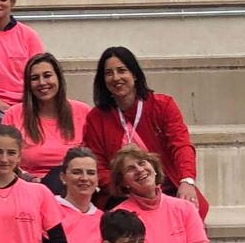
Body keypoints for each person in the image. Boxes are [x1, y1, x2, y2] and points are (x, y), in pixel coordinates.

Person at [84, 47, 204, 213]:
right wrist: (125, 186)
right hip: (121, 193)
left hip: (166, 189)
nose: (116, 77)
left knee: (189, 211)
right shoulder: (96, 118)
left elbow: (181, 145)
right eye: (109, 73)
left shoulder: (163, 106)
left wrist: (187, 180)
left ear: (134, 74)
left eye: (122, 70)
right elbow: (98, 165)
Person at [4, 53, 91, 180]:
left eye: (47, 75)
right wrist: (29, 179)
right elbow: (6, 159)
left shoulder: (83, 111)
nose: (42, 82)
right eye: (34, 78)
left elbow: (93, 158)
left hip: (73, 185)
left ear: (59, 78)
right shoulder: (13, 114)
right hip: (29, 185)